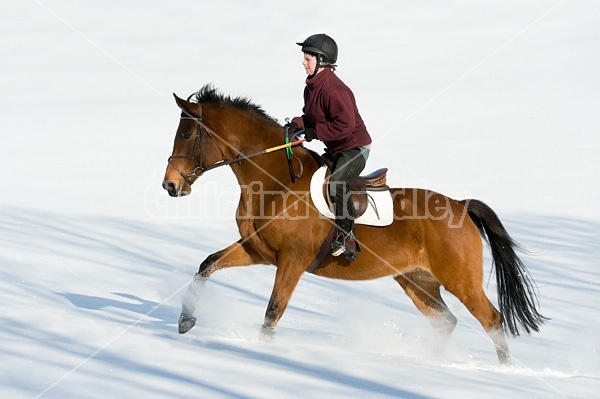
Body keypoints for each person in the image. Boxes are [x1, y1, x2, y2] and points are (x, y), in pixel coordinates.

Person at [286, 33, 372, 261]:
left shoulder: (333, 89)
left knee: (336, 184)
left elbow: (345, 125)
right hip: (336, 148)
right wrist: (297, 124)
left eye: (308, 58)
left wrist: (314, 133)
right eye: (304, 58)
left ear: (322, 60)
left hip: (355, 148)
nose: (303, 63)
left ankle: (347, 237)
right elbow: (311, 117)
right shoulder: (312, 87)